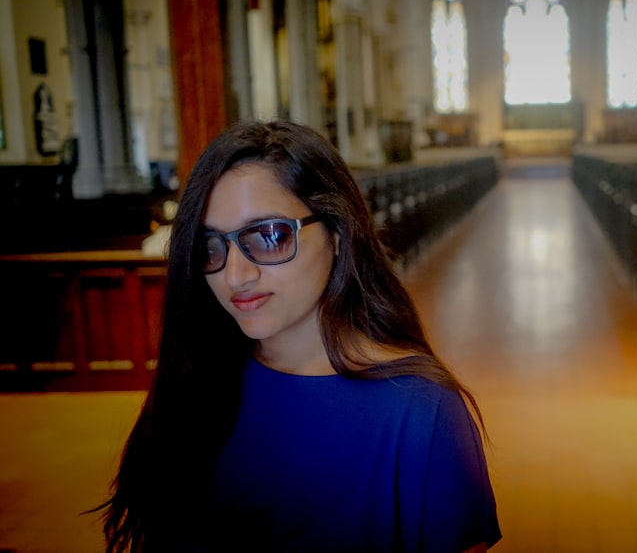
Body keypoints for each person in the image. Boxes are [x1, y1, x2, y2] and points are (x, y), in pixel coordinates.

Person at [99, 119, 501, 552]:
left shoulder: (421, 412)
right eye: (211, 246)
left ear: (338, 233)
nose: (236, 275)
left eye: (269, 236)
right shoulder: (200, 380)